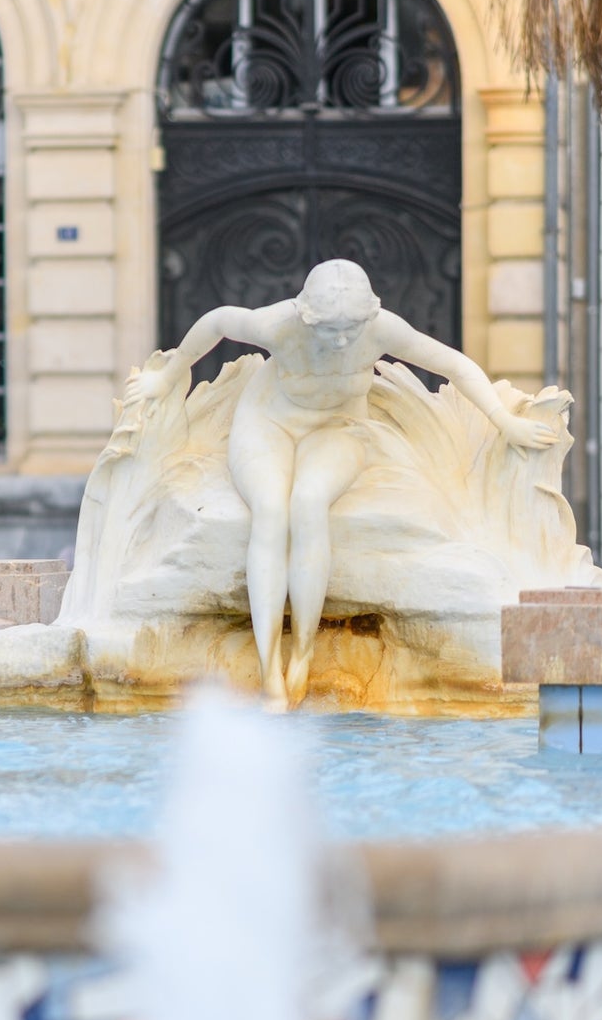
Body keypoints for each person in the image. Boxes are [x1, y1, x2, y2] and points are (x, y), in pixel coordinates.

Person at [132, 259, 558, 707]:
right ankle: (267, 666)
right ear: (304, 315)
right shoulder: (279, 324)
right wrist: (167, 374)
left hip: (338, 427)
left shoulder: (380, 328)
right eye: (329, 331)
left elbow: (453, 364)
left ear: (368, 317)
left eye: (349, 332)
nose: (340, 341)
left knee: (309, 503)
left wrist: (504, 422)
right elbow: (217, 322)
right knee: (271, 511)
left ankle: (301, 654)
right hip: (267, 422)